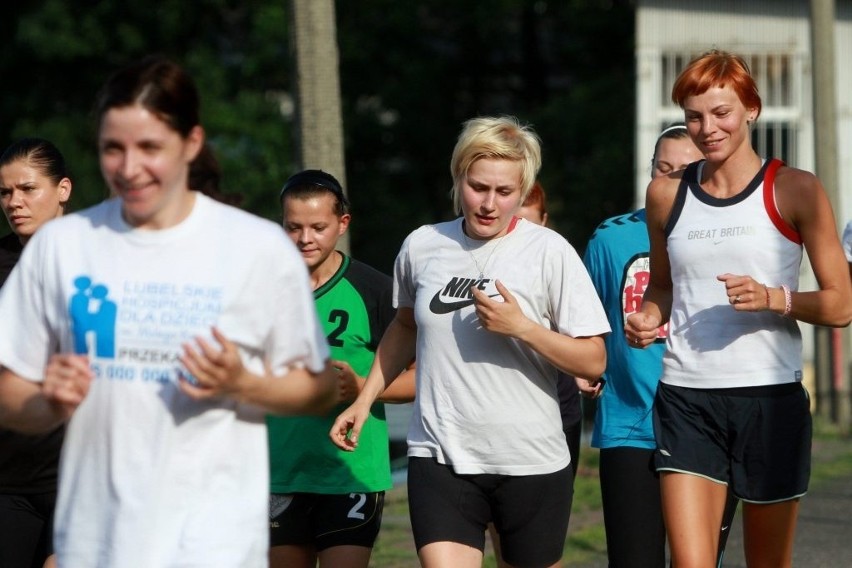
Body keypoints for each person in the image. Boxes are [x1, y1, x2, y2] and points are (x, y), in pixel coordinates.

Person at [0, 54, 338, 567]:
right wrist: (45, 402)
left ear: (192, 144)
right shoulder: (62, 247)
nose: (129, 168)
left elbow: (318, 387)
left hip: (213, 543)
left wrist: (244, 383)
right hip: (95, 544)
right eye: (113, 149)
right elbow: (9, 389)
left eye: (149, 147)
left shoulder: (256, 247)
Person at [331, 115, 610, 568]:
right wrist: (365, 399)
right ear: (459, 177)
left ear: (523, 191)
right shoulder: (423, 245)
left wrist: (523, 327)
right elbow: (404, 328)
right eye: (478, 187)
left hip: (531, 460)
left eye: (505, 193)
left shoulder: (550, 251)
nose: (489, 204)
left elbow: (594, 360)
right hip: (442, 455)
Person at [625, 50, 852, 568]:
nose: (708, 128)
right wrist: (646, 317)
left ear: (752, 109)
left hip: (768, 399)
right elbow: (662, 287)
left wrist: (775, 298)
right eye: (694, 115)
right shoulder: (665, 195)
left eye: (721, 112)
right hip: (686, 397)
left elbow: (841, 305)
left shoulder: (795, 188)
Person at [584, 123, 738, 568]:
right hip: (631, 425)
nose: (671, 180)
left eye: (685, 170)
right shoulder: (610, 238)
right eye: (662, 169)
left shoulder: (730, 233)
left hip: (709, 424)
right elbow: (582, 320)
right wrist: (583, 367)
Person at [269, 169, 415, 568]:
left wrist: (364, 389)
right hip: (278, 472)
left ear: (342, 224)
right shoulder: (260, 289)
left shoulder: (375, 291)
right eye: (293, 227)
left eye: (318, 227)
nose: (304, 238)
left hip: (351, 472)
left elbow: (423, 377)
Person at [487, 181, 586, 568]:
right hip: (494, 411)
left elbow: (587, 341)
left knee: (539, 537)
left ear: (544, 220)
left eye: (529, 222)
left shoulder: (558, 259)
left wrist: (579, 368)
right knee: (500, 527)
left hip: (556, 408)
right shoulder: (479, 262)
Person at [0, 138, 72, 568]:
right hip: (9, 479)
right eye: (5, 192)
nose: (14, 202)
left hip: (82, 473)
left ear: (63, 189)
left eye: (28, 189)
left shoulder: (98, 259)